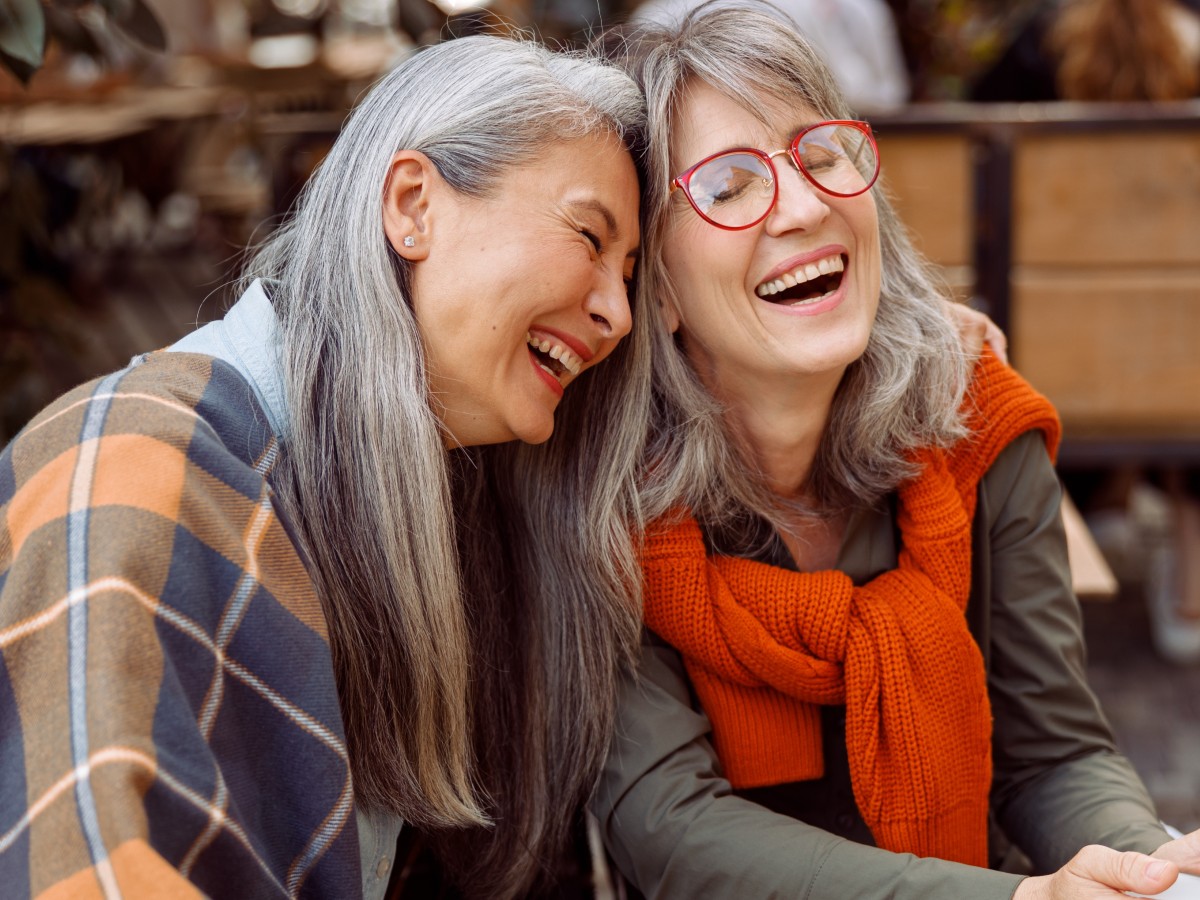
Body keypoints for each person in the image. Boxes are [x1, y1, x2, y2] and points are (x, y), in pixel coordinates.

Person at [0, 35, 647, 899]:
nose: (618, 314)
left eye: (631, 273)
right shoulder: (133, 463)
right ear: (413, 205)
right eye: (589, 236)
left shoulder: (423, 505)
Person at [592, 7, 1200, 898]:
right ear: (658, 284)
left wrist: (1143, 869)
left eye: (821, 156)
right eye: (727, 187)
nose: (802, 207)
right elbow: (670, 828)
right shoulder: (604, 490)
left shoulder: (976, 416)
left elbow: (1055, 753)